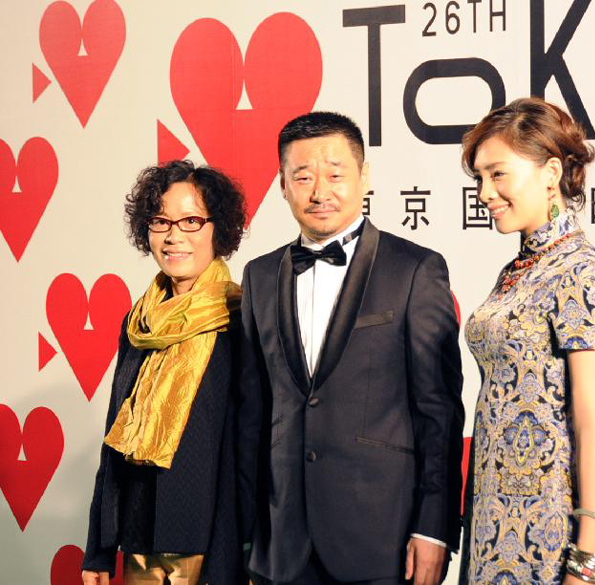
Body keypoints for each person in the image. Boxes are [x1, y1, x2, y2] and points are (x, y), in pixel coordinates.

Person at [239, 111, 465, 585]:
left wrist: (434, 526)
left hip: (383, 540)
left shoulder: (414, 270)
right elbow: (254, 415)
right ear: (282, 185)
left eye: (335, 174)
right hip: (282, 546)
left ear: (364, 176)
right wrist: (247, 534)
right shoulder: (259, 277)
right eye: (302, 177)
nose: (319, 191)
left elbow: (438, 412)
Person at [458, 98, 595, 585]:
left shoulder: (581, 271)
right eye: (480, 179)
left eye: (498, 174)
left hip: (546, 536)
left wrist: (586, 561)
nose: (486, 192)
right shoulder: (516, 270)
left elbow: (592, 425)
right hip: (489, 517)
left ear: (551, 172)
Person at [81, 160, 248, 585]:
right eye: (160, 221)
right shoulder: (138, 322)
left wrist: (245, 556)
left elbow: (248, 448)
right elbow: (114, 436)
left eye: (191, 221)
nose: (174, 236)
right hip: (138, 536)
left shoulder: (242, 318)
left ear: (219, 229)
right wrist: (99, 550)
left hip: (211, 542)